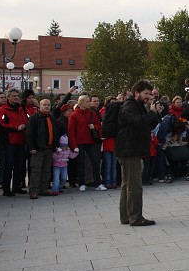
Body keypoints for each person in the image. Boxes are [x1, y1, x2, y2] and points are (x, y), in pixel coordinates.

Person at [116, 80, 160, 226]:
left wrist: (154, 113)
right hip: (129, 150)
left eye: (150, 93)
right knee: (134, 185)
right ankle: (136, 217)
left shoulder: (138, 105)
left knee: (127, 184)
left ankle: (126, 216)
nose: (148, 96)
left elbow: (147, 124)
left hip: (131, 149)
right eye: (146, 93)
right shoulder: (129, 106)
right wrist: (152, 113)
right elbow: (139, 122)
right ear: (137, 93)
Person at [67, 95, 106, 191]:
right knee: (81, 163)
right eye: (87, 102)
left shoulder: (92, 113)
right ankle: (81, 183)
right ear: (81, 103)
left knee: (95, 162)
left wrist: (95, 127)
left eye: (89, 101)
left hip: (91, 141)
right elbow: (71, 131)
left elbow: (98, 124)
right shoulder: (74, 115)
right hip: (80, 142)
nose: (89, 103)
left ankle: (98, 183)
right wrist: (74, 145)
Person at [0, 89, 29, 196]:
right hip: (9, 141)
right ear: (8, 97)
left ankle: (16, 187)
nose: (16, 97)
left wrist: (24, 126)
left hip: (20, 140)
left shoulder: (20, 109)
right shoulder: (2, 110)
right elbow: (1, 125)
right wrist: (16, 128)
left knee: (19, 165)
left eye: (17, 95)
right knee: (8, 165)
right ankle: (6, 188)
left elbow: (25, 120)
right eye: (13, 96)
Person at [26, 99, 59, 199]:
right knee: (36, 170)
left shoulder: (51, 118)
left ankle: (43, 189)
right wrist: (31, 147)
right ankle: (34, 190)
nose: (46, 106)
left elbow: (55, 133)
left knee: (46, 170)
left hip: (49, 148)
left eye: (48, 105)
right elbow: (29, 134)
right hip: (38, 149)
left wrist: (55, 146)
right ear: (40, 106)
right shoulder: (34, 118)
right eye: (44, 105)